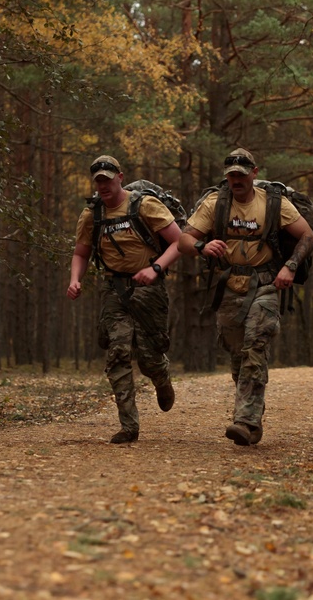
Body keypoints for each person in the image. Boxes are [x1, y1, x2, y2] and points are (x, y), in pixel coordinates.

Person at [178, 148, 313, 446]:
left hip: (266, 284)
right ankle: (253, 414)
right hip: (228, 286)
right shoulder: (215, 204)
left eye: (242, 174)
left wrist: (290, 267)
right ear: (226, 177)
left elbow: (307, 235)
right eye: (232, 175)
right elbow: (183, 240)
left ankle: (245, 420)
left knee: (256, 346)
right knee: (238, 356)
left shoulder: (274, 204)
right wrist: (201, 247)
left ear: (254, 173)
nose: (237, 180)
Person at [67, 155, 182, 444]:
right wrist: (75, 280)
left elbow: (181, 241)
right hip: (113, 288)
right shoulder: (92, 215)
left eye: (108, 179)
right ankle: (129, 425)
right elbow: (81, 253)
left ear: (120, 176)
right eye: (98, 181)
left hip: (148, 288)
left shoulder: (144, 205)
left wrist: (155, 268)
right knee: (117, 352)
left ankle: (161, 376)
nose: (103, 185)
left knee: (149, 357)